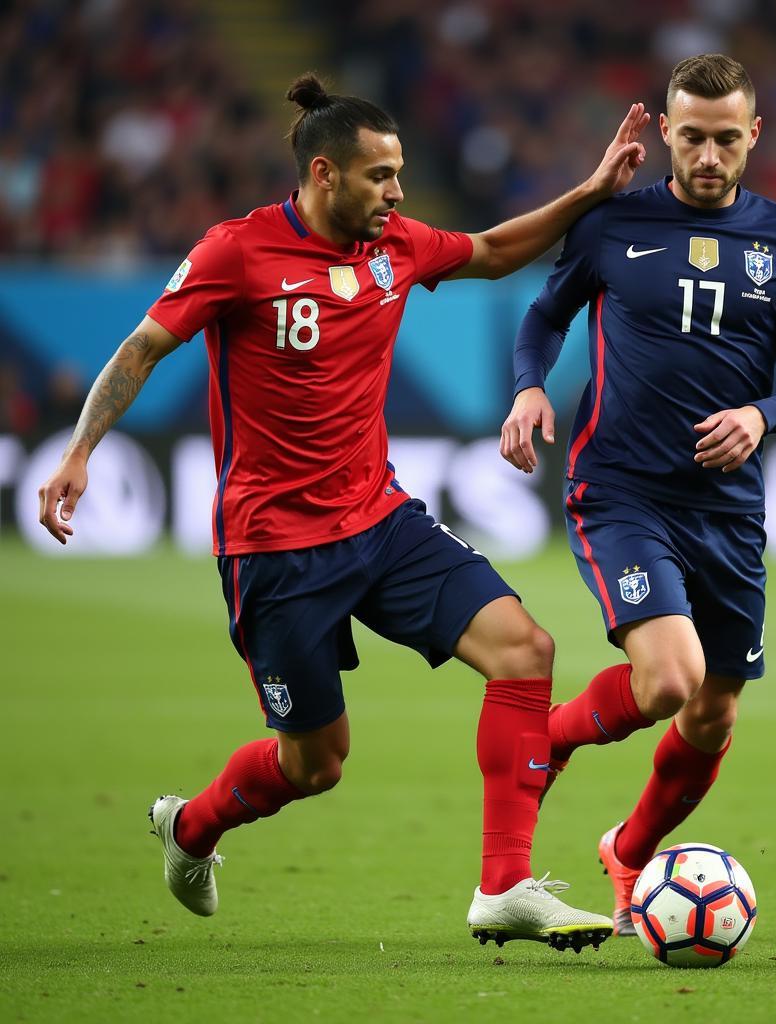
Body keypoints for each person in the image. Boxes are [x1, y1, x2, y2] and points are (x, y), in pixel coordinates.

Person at [38, 73, 651, 953]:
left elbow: (490, 250)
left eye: (400, 174)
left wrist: (590, 192)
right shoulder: (236, 252)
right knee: (313, 764)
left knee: (527, 648)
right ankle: (191, 831)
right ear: (324, 174)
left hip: (381, 518)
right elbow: (144, 346)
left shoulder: (396, 245)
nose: (398, 193)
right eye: (380, 176)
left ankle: (505, 884)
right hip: (273, 549)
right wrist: (80, 449)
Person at [500, 53, 776, 936]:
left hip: (727, 509)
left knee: (713, 712)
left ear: (753, 135)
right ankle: (555, 740)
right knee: (670, 678)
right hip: (621, 491)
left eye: (728, 139)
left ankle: (629, 851)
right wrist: (530, 384)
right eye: (692, 138)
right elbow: (543, 316)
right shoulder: (615, 223)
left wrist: (764, 417)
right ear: (666, 133)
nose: (709, 156)